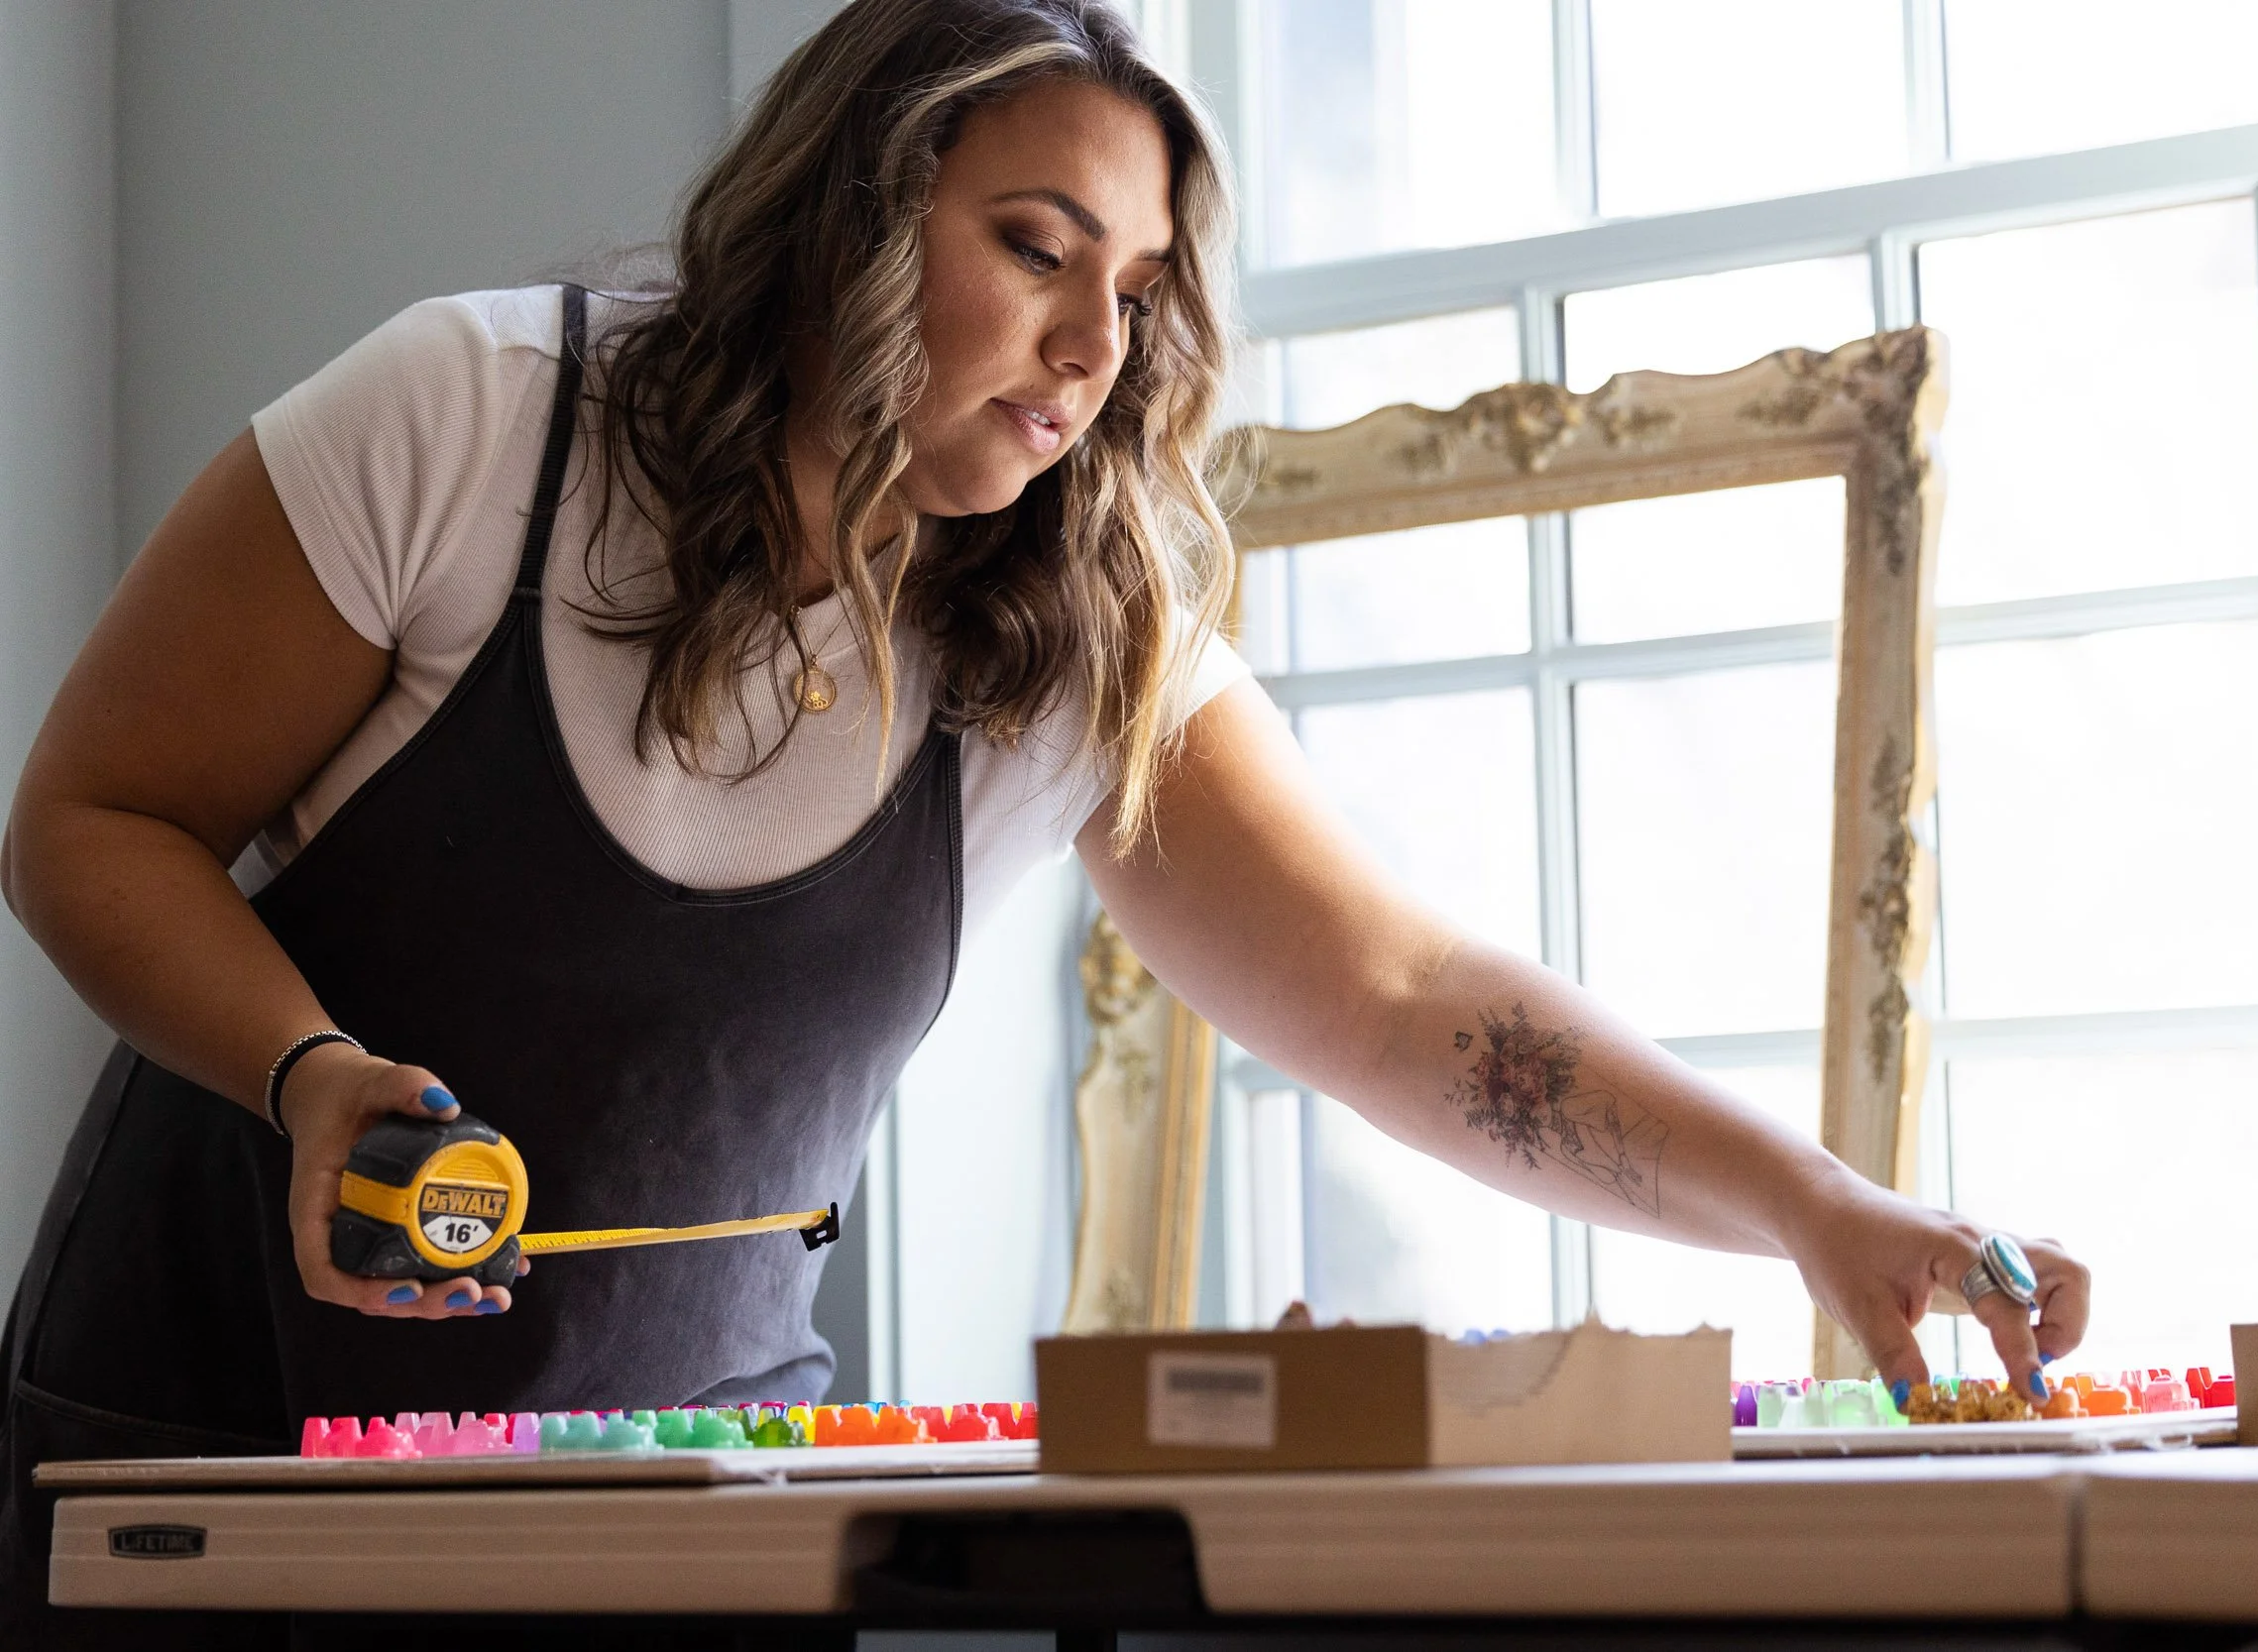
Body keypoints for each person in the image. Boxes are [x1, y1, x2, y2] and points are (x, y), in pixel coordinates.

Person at [0, 0, 2089, 1642]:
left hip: (681, 1522)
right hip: (196, 1475)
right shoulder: (463, 418)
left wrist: (1816, 1207)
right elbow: (94, 812)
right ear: (850, 209)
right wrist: (309, 1074)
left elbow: (1399, 998)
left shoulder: (1073, 632)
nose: (1097, 345)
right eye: (1033, 247)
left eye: (1141, 283)